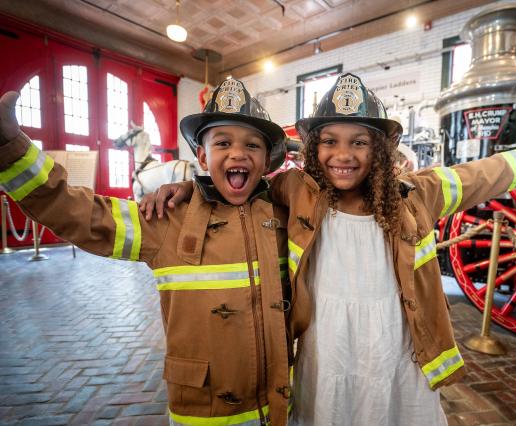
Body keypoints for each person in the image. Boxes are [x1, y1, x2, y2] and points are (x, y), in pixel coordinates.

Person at [140, 73, 516, 425]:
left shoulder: (415, 195)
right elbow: (239, 182)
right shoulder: (295, 190)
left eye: (359, 142)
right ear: (314, 149)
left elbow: (477, 176)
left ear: (381, 150)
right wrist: (191, 188)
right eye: (329, 141)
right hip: (325, 352)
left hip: (396, 352)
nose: (342, 154)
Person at [0, 79, 309, 426]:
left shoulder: (283, 217)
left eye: (253, 145)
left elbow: (324, 185)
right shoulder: (164, 219)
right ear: (203, 156)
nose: (238, 153)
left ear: (268, 160)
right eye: (223, 142)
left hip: (279, 409)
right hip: (204, 413)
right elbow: (79, 214)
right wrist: (12, 150)